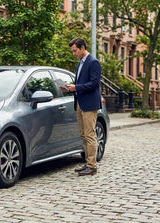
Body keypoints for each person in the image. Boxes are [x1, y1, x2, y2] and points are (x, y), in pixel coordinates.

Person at [60, 37, 102, 176]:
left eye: (75, 51)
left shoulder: (93, 62)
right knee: (83, 134)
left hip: (89, 104)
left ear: (82, 48)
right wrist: (71, 88)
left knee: (90, 135)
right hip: (80, 103)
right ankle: (88, 164)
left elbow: (95, 84)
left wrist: (76, 87)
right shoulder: (80, 64)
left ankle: (92, 166)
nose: (74, 54)